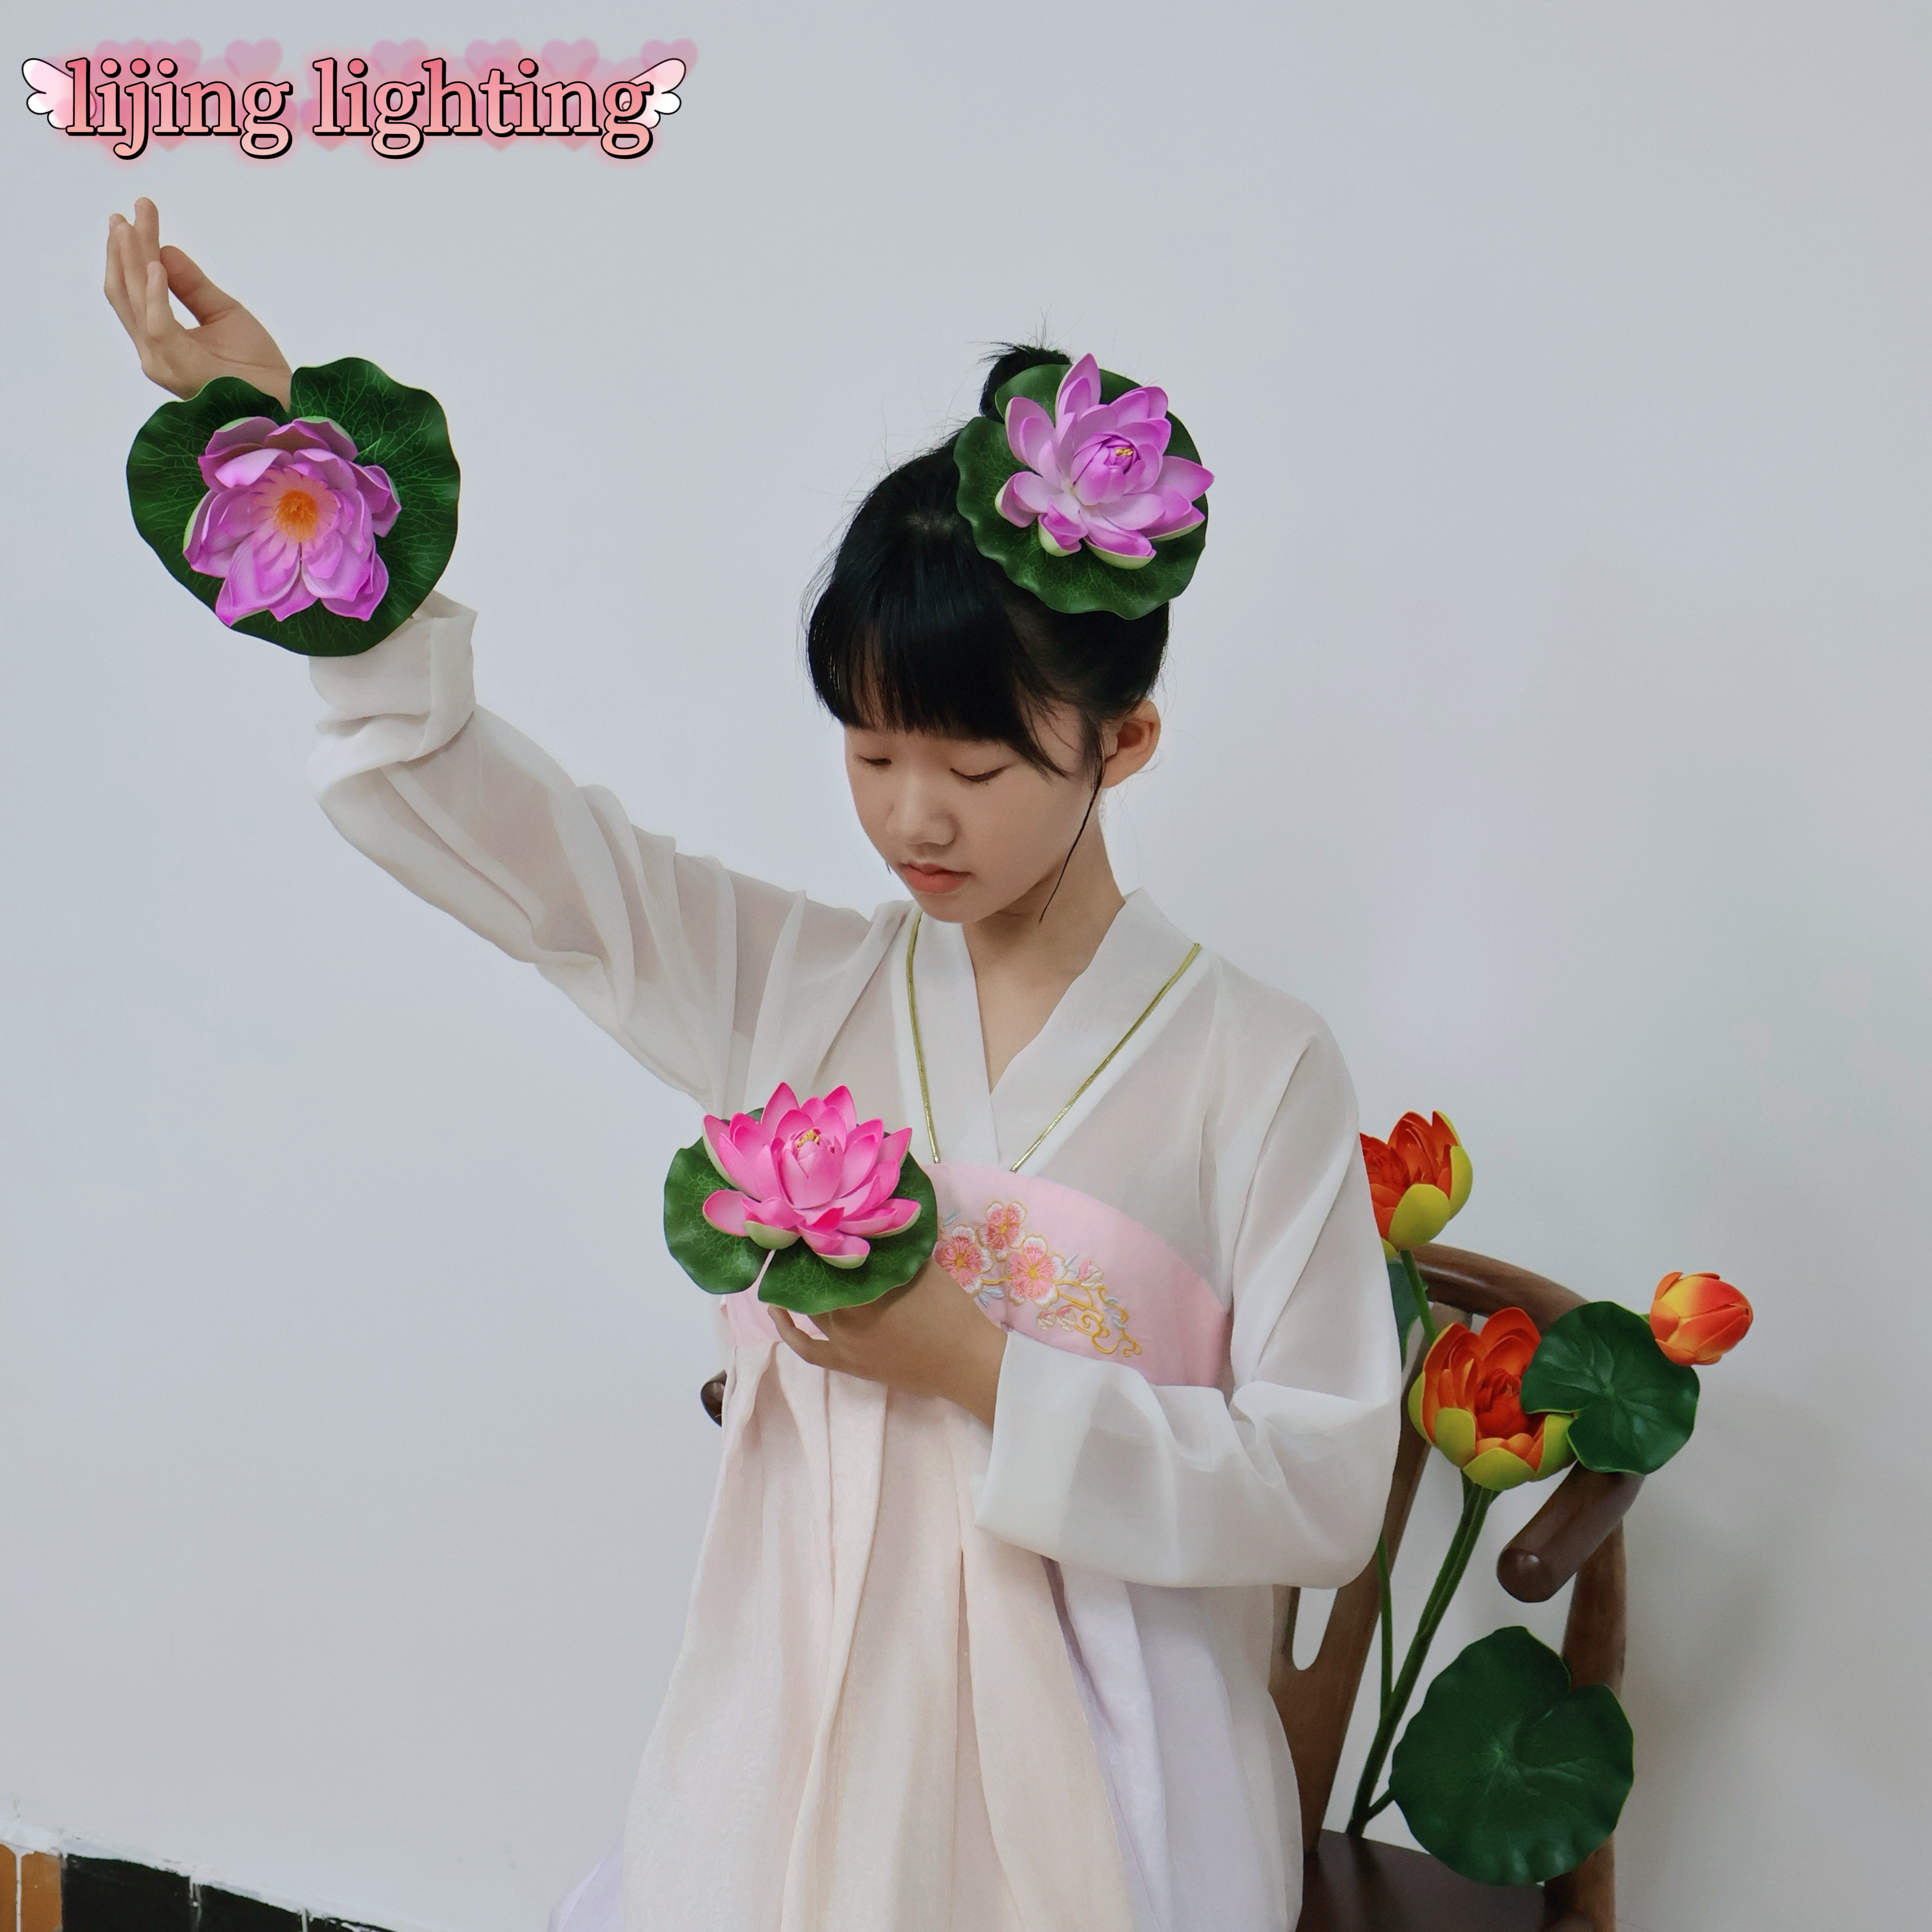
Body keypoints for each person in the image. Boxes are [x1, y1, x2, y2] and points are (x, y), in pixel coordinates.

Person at [104, 196, 1402, 1932]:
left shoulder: (1259, 1066)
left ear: (1127, 740)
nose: (914, 818)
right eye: (871, 753)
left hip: (1123, 1791)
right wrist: (299, 463)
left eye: (975, 768)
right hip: (805, 1748)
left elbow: (1323, 1484)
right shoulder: (799, 991)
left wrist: (981, 1369)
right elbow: (531, 854)